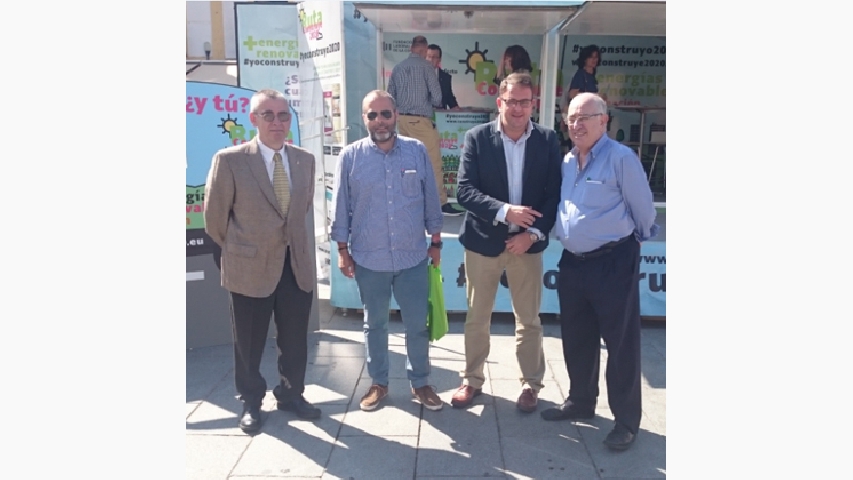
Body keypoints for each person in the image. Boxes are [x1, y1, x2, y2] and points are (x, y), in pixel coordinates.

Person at [540, 93, 658, 452]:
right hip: (573, 262)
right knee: (577, 337)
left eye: (585, 117)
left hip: (612, 261)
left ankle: (626, 421)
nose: (576, 125)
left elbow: (644, 210)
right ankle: (581, 400)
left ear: (604, 121)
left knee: (620, 344)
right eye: (571, 118)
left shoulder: (621, 158)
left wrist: (632, 242)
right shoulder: (567, 161)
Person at [203, 88, 321, 434]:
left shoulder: (305, 160)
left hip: (295, 266)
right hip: (249, 267)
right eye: (268, 115)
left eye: (283, 115)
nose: (276, 122)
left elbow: (301, 210)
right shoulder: (230, 160)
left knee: (295, 339)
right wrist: (242, 250)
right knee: (249, 342)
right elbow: (215, 219)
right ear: (253, 119)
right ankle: (251, 401)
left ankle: (291, 394)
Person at [451, 72, 562, 413]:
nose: (518, 109)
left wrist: (533, 234)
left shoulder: (547, 140)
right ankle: (472, 380)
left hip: (527, 245)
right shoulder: (477, 138)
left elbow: (554, 195)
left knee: (529, 320)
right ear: (499, 102)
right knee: (477, 318)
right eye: (511, 101)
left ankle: (531, 384)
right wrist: (504, 211)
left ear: (533, 104)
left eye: (524, 102)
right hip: (483, 241)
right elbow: (464, 191)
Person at [331, 90, 445, 413]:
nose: (379, 121)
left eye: (385, 114)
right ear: (364, 118)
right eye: (372, 115)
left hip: (412, 258)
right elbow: (340, 207)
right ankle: (379, 383)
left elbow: (431, 199)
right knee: (375, 325)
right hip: (369, 259)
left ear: (395, 115)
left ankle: (420, 383)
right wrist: (342, 249)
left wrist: (436, 242)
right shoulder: (350, 157)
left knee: (417, 325)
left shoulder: (416, 151)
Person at [387, 35, 459, 217]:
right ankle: (440, 203)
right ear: (424, 50)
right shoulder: (427, 68)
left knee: (407, 164)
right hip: (420, 121)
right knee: (433, 162)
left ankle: (407, 202)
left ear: (411, 48)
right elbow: (437, 98)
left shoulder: (398, 68)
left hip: (401, 122)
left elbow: (390, 97)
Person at [560, 45, 607, 137]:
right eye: (591, 57)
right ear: (585, 59)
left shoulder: (592, 76)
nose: (594, 60)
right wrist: (596, 95)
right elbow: (572, 94)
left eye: (596, 57)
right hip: (580, 116)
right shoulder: (580, 74)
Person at [426, 44, 460, 110]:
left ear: (439, 59)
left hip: (440, 114)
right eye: (429, 56)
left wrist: (457, 109)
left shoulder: (446, 78)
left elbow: (449, 98)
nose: (431, 60)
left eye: (434, 57)